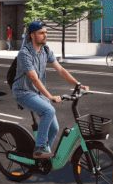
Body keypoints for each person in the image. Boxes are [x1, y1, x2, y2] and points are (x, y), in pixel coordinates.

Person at [13, 21, 88, 159]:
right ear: (32, 35)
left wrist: (78, 84)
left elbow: (61, 70)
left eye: (46, 32)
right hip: (23, 92)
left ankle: (43, 158)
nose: (45, 35)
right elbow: (34, 79)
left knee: (54, 128)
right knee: (49, 110)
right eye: (41, 33)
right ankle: (39, 149)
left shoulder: (45, 50)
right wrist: (51, 97)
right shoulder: (25, 53)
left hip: (37, 93)